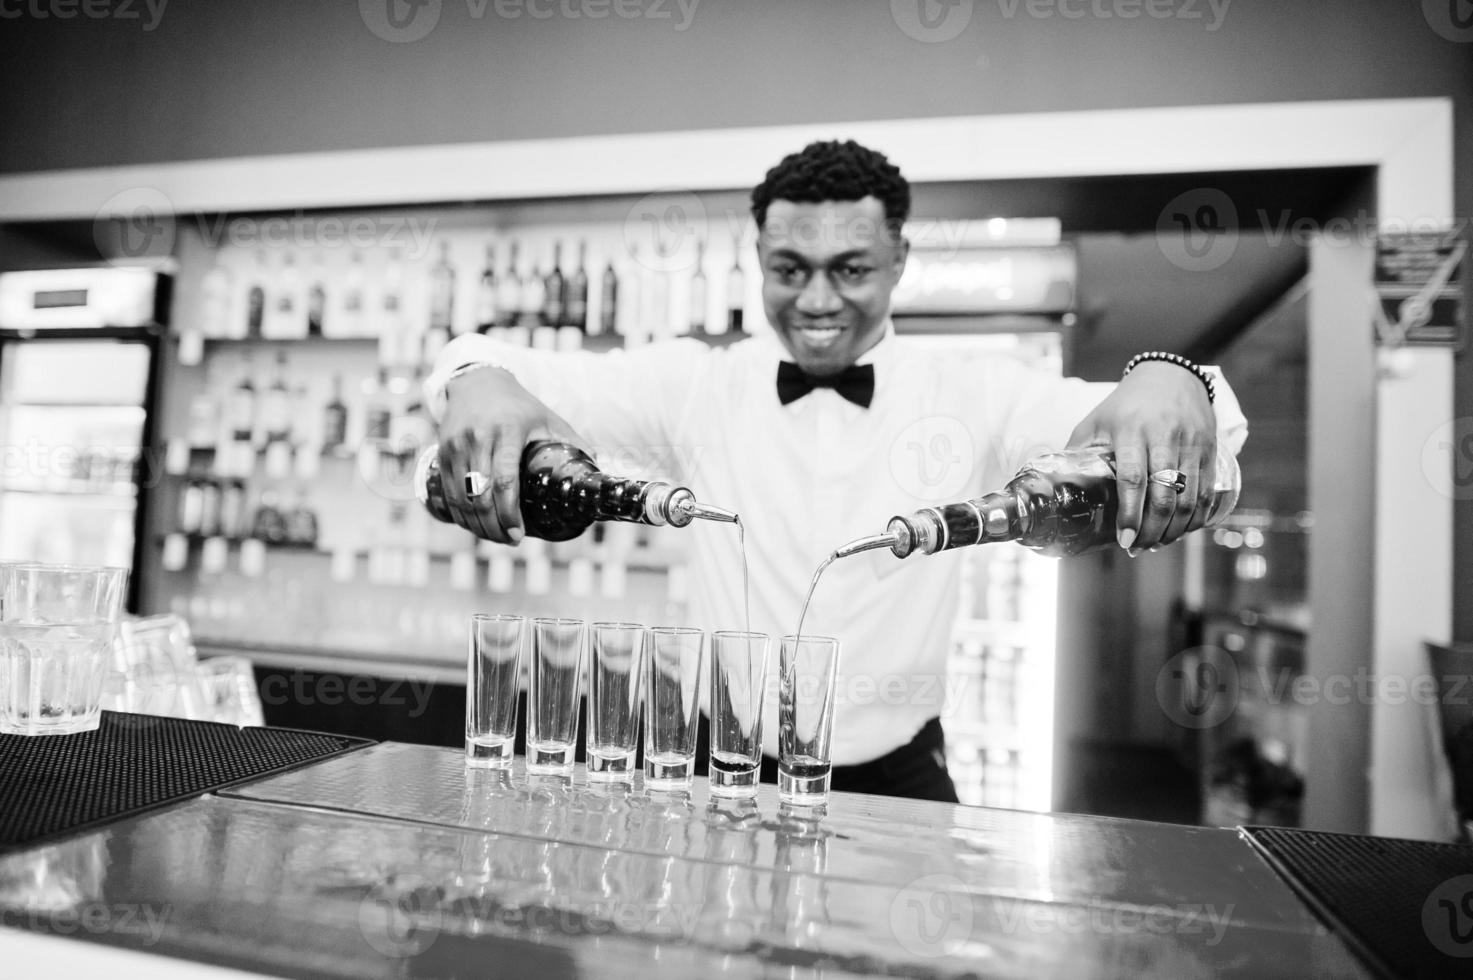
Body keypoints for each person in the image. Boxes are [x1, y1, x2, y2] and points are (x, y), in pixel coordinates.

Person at [425, 139, 1248, 803]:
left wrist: (1173, 375)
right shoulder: (693, 385)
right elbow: (499, 365)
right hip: (722, 761)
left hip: (898, 771)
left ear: (898, 259)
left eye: (850, 269)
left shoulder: (974, 391)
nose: (817, 300)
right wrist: (477, 378)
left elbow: (1179, 418)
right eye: (789, 269)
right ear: (758, 258)